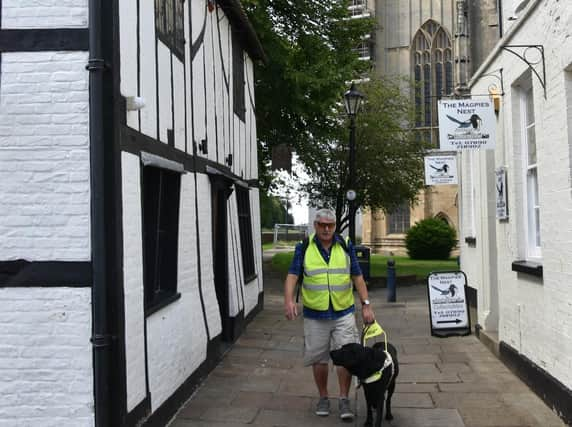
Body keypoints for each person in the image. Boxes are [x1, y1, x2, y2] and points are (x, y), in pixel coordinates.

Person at [283, 208, 375, 420]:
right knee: (319, 359)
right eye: (322, 225)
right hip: (315, 314)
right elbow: (292, 275)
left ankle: (343, 399)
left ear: (334, 227)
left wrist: (366, 304)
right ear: (315, 226)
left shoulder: (345, 245)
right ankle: (323, 397)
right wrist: (288, 301)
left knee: (346, 357)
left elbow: (357, 277)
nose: (326, 229)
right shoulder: (304, 247)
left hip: (343, 312)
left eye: (330, 225)